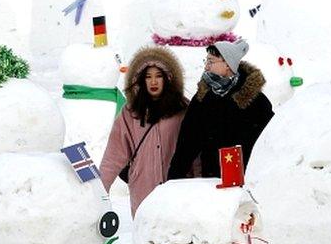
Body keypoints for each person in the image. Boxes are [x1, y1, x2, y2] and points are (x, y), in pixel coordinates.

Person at [168, 39, 273, 180]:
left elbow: (269, 142)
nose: (206, 66)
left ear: (227, 64)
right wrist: (174, 177)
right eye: (206, 61)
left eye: (211, 61)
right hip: (211, 180)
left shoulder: (257, 101)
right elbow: (187, 142)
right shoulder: (202, 99)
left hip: (248, 180)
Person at [100, 46, 187, 215]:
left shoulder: (182, 109)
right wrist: (99, 192)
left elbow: (194, 153)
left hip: (177, 192)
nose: (153, 82)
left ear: (168, 78)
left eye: (158, 76)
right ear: (140, 80)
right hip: (143, 191)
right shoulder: (130, 113)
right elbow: (114, 155)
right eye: (148, 77)